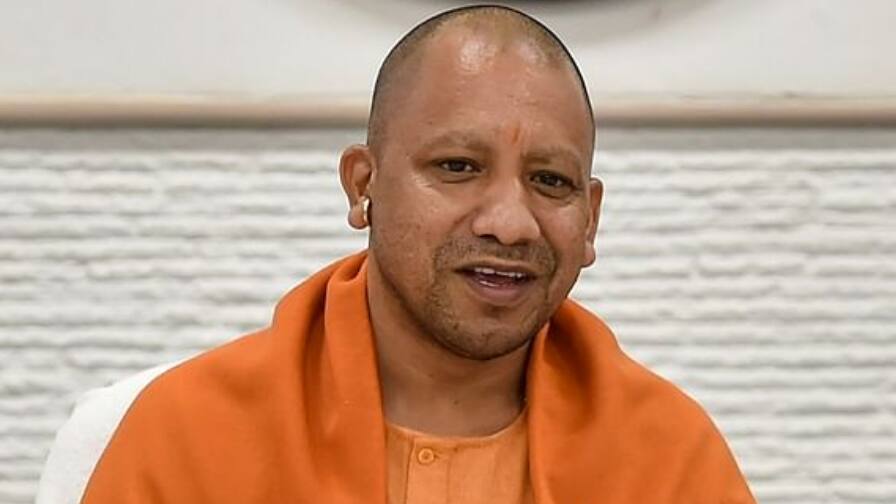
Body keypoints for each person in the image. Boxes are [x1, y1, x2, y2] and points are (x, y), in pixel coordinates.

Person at [37, 5, 756, 504]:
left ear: (590, 219)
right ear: (364, 185)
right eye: (457, 167)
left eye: (550, 182)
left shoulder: (666, 456)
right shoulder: (191, 435)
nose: (511, 224)